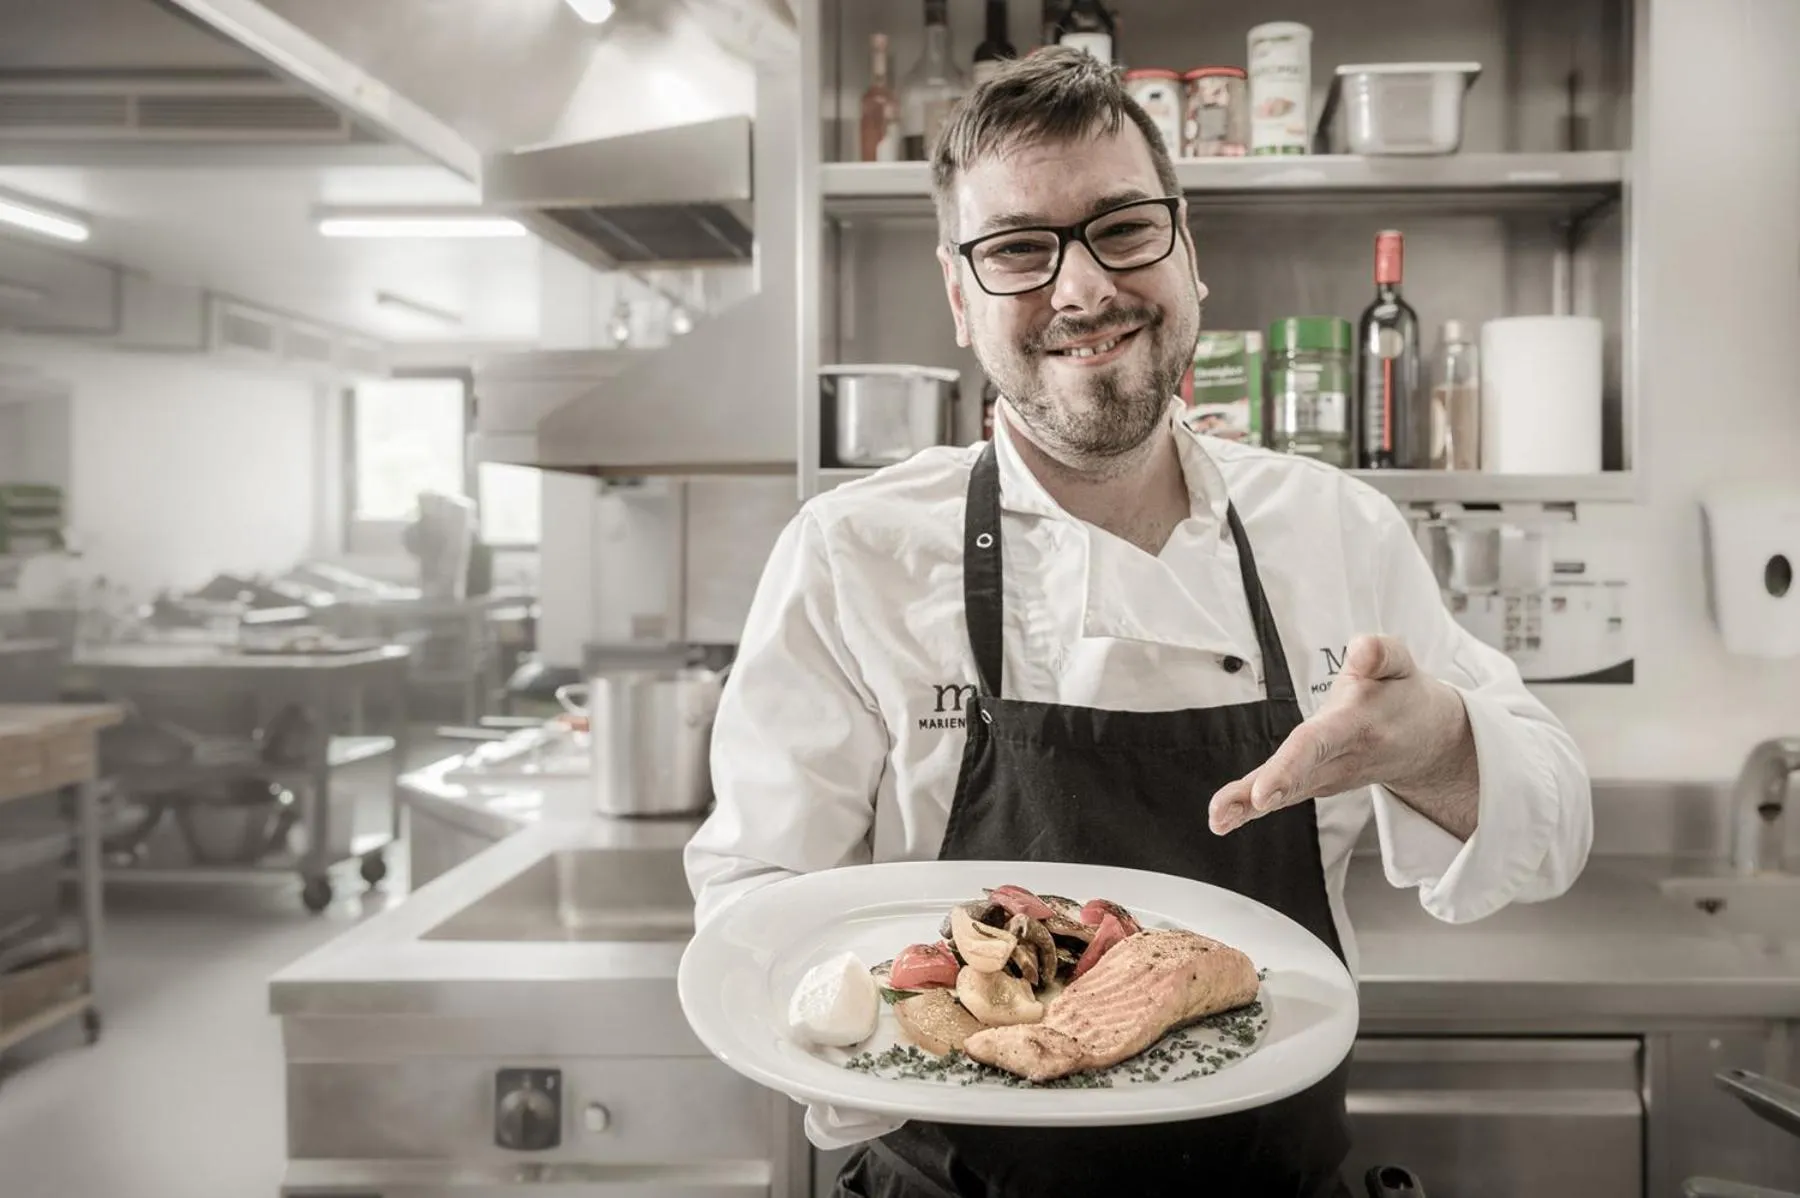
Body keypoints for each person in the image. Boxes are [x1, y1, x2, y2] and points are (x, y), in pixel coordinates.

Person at [685, 48, 1592, 1198]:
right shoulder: (851, 553)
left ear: (1188, 255)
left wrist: (1435, 748)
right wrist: (891, 1034)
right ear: (962, 301)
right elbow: (756, 901)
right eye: (1019, 248)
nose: (1081, 289)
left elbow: (1553, 831)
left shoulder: (1336, 531)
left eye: (1122, 227)